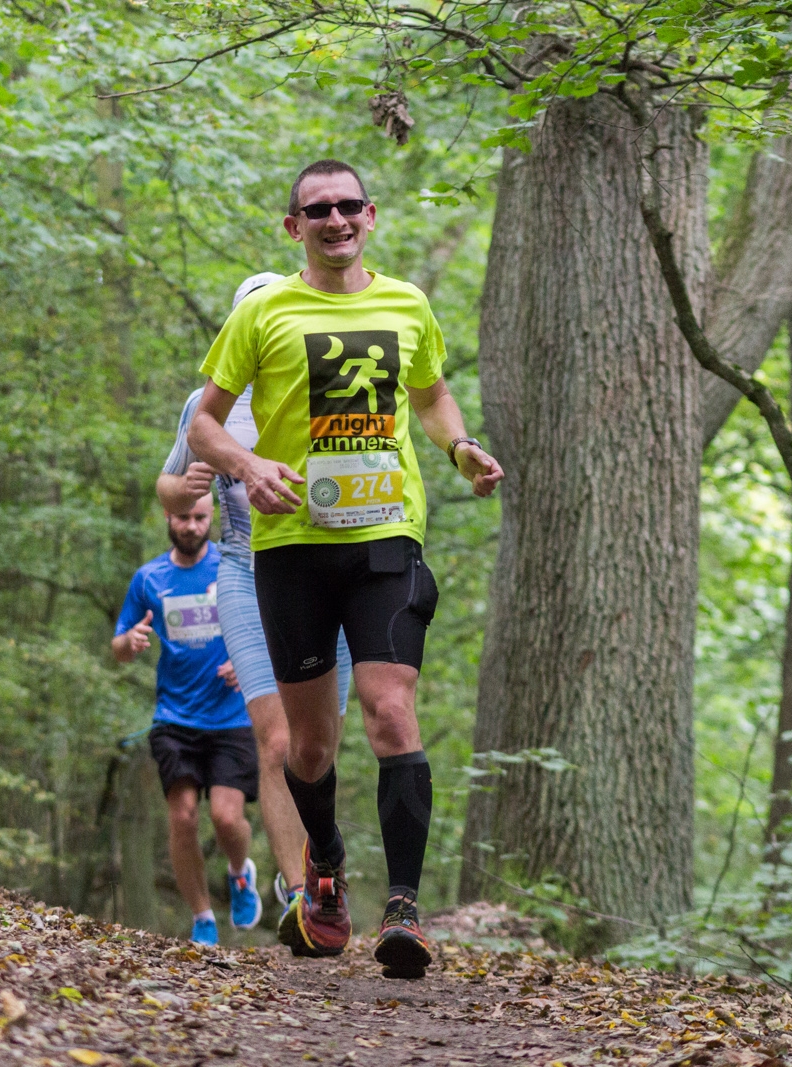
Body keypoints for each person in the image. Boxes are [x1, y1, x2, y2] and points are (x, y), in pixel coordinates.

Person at [187, 159, 504, 978]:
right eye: (317, 210)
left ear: (371, 215)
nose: (336, 220)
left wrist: (460, 446)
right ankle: (324, 869)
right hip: (291, 545)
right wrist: (249, 467)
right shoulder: (263, 312)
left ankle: (405, 906)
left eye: (349, 207)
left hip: (386, 533)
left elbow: (431, 397)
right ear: (294, 227)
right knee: (310, 745)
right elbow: (205, 428)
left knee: (390, 707)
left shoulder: (408, 303)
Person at [156, 272, 355, 949]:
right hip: (244, 572)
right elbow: (168, 482)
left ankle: (319, 867)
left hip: (331, 574)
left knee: (314, 745)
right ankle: (303, 897)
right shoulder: (207, 404)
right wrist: (184, 485)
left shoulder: (326, 389)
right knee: (274, 742)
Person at [112, 494, 263, 945]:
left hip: (232, 718)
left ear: (211, 516)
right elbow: (118, 647)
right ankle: (202, 917)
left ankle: (239, 872)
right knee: (182, 817)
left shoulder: (233, 569)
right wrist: (132, 640)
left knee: (225, 817)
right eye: (183, 518)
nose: (192, 526)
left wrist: (247, 659)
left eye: (200, 517)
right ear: (168, 517)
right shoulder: (149, 578)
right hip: (174, 717)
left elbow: (269, 628)